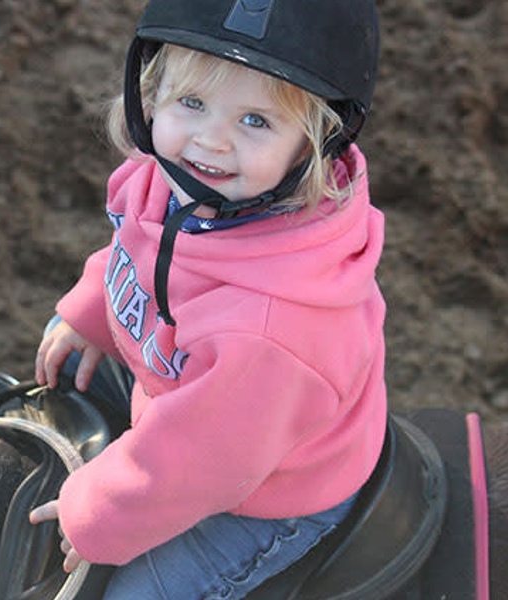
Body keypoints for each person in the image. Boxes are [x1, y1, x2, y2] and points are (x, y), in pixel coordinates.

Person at [28, 0, 388, 598]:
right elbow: (138, 244)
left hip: (267, 487)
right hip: (203, 400)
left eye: (256, 122)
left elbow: (195, 465)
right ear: (152, 94)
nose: (211, 141)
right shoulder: (177, 179)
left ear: (311, 146)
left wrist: (92, 514)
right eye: (191, 103)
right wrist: (94, 310)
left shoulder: (270, 333)